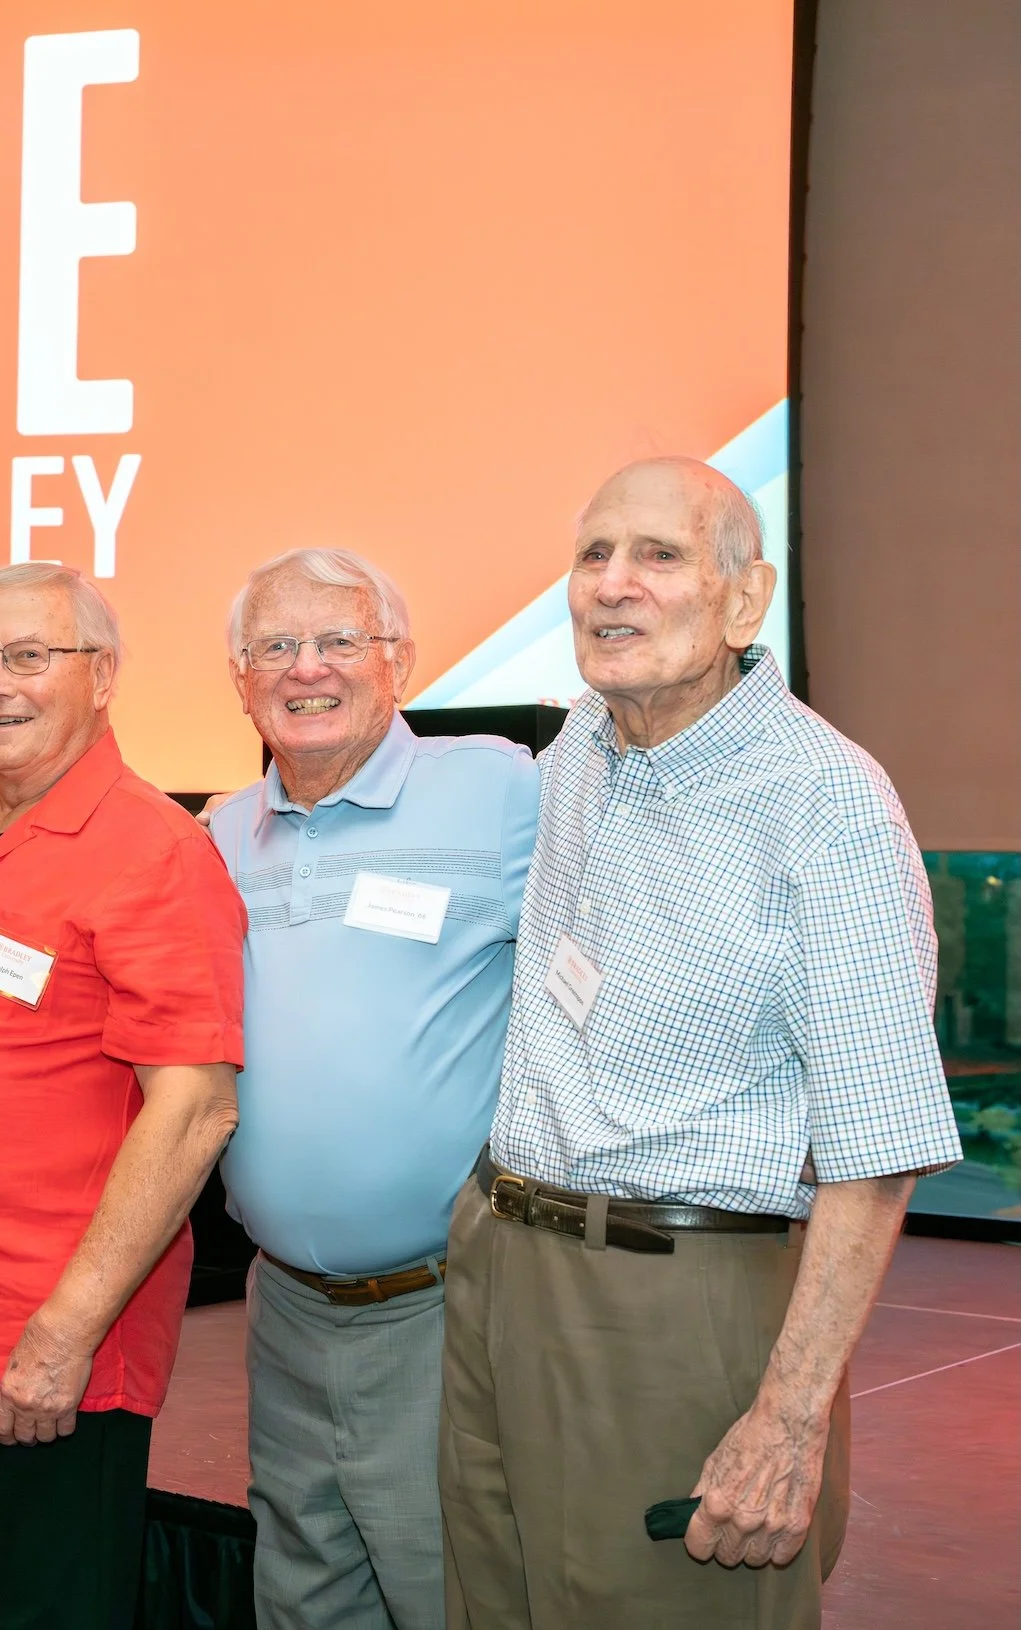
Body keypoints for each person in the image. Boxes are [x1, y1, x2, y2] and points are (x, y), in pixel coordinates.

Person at [439, 459, 964, 1629]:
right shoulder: (582, 745)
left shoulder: (825, 803)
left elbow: (876, 1153)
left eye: (656, 556)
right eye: (590, 556)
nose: (610, 587)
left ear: (741, 600)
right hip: (500, 1268)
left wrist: (786, 1420)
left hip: (675, 1301)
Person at [0, 561, 247, 1629]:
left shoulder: (152, 851)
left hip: (45, 1358)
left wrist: (65, 1332)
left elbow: (194, 1108)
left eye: (29, 657)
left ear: (103, 673)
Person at [208, 550, 537, 1630]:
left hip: (439, 1310)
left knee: (447, 1591)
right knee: (301, 1595)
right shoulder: (216, 832)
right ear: (238, 675)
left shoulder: (494, 787)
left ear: (397, 659)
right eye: (274, 646)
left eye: (339, 639)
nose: (307, 668)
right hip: (282, 1311)